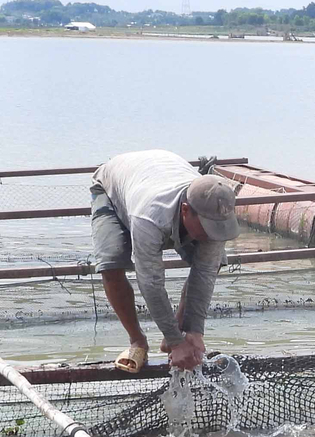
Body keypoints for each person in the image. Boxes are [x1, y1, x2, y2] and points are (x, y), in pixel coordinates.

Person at [89, 150, 240, 372]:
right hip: (114, 185)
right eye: (208, 227)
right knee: (111, 264)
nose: (212, 234)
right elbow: (150, 282)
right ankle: (138, 341)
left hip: (162, 171)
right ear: (186, 210)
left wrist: (195, 331)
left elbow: (205, 272)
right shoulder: (149, 217)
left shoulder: (213, 210)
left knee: (215, 259)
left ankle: (177, 328)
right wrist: (177, 342)